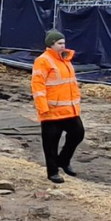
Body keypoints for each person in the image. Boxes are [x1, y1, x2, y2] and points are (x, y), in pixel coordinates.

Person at [31, 30, 84, 184]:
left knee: (78, 133)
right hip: (51, 110)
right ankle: (52, 171)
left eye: (64, 43)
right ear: (51, 45)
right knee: (51, 144)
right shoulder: (43, 61)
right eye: (60, 43)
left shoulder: (65, 59)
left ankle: (63, 160)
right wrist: (42, 108)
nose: (63, 45)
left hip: (68, 110)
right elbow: (38, 85)